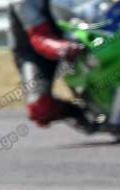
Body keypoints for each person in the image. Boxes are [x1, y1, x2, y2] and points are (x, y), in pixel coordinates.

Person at [7, 0, 87, 128]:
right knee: (40, 108)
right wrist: (64, 48)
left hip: (75, 35)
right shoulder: (23, 2)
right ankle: (81, 113)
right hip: (36, 54)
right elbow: (39, 37)